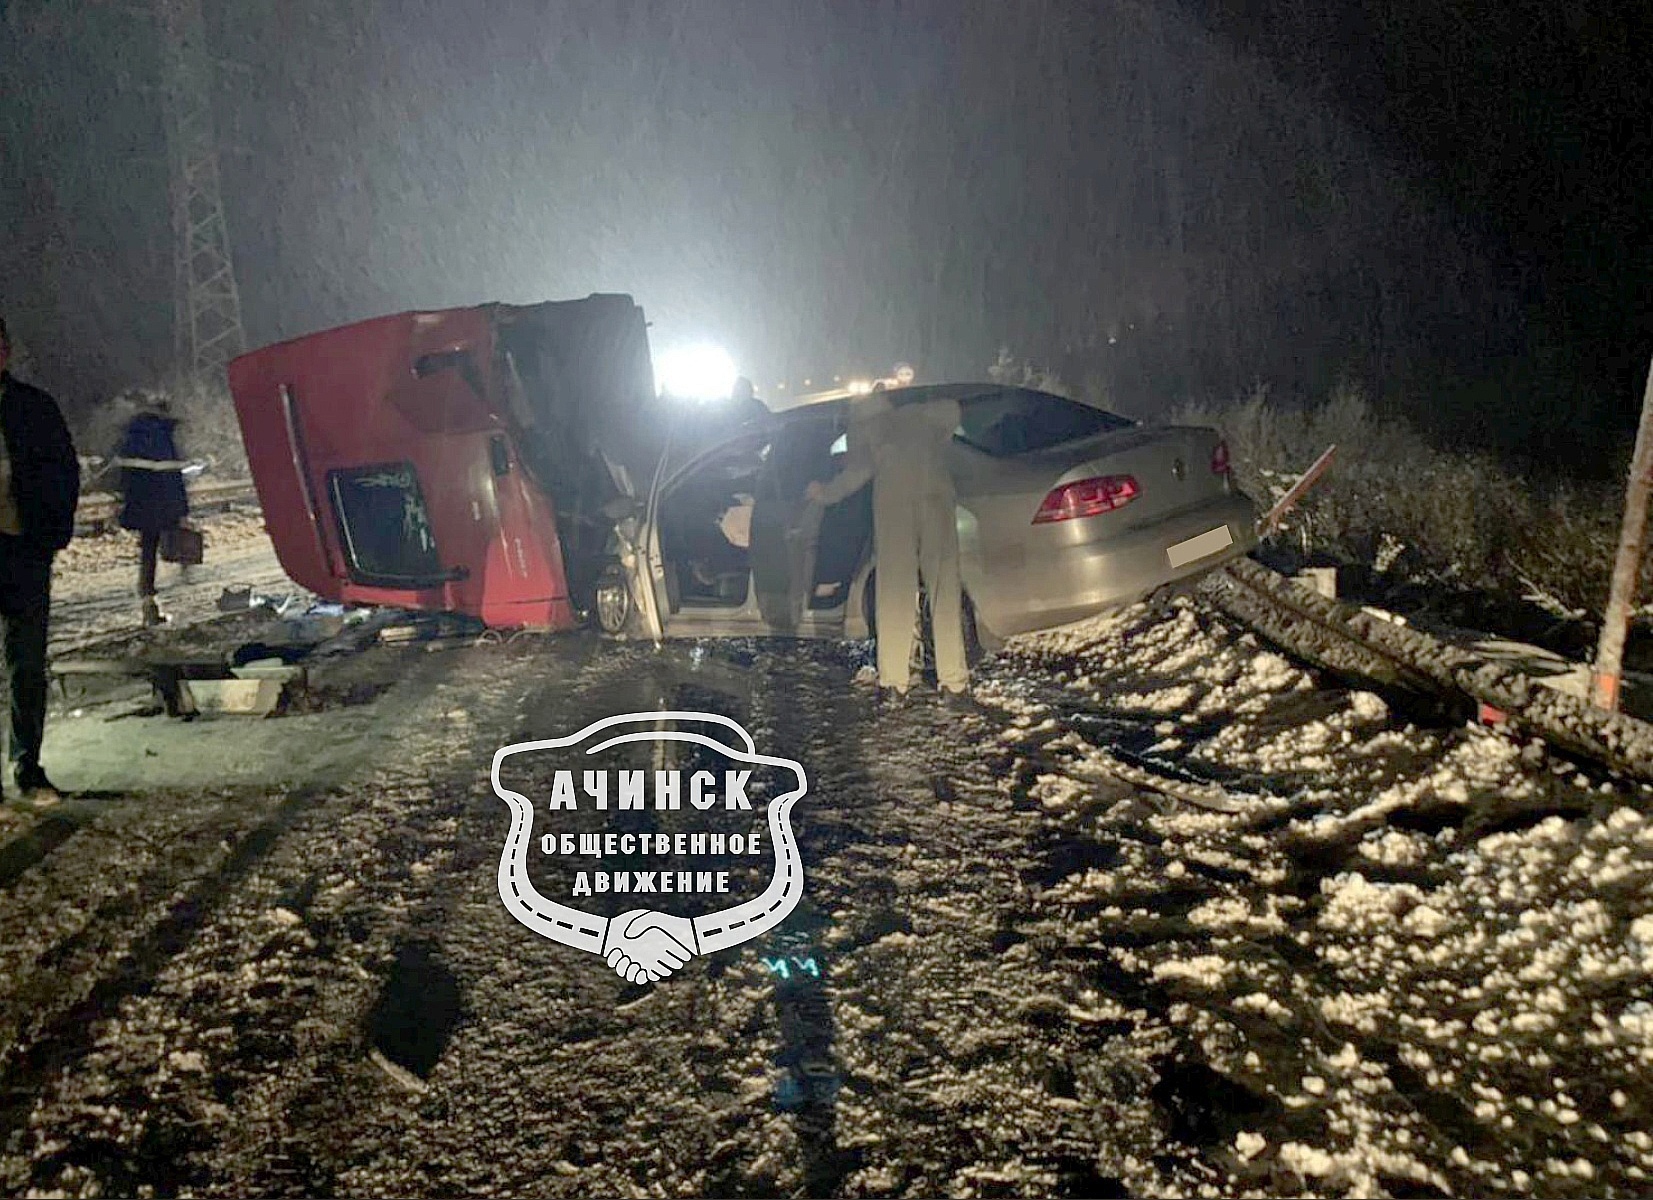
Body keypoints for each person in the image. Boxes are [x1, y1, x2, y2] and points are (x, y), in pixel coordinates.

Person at [806, 389, 970, 702]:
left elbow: (858, 471)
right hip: (936, 498)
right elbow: (953, 414)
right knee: (944, 589)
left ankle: (895, 683)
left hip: (893, 506)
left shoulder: (864, 424)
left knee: (895, 592)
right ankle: (954, 684)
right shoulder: (925, 411)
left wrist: (824, 493)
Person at [0, 317, 80, 805]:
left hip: (22, 550)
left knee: (27, 663)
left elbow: (64, 472)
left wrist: (50, 535)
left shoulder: (34, 408)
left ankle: (28, 766)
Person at [112, 394, 190, 627]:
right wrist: (182, 510)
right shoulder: (164, 438)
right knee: (168, 545)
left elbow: (122, 476)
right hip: (163, 504)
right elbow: (173, 477)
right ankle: (156, 597)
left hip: (139, 505)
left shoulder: (132, 436)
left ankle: (148, 600)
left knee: (148, 550)